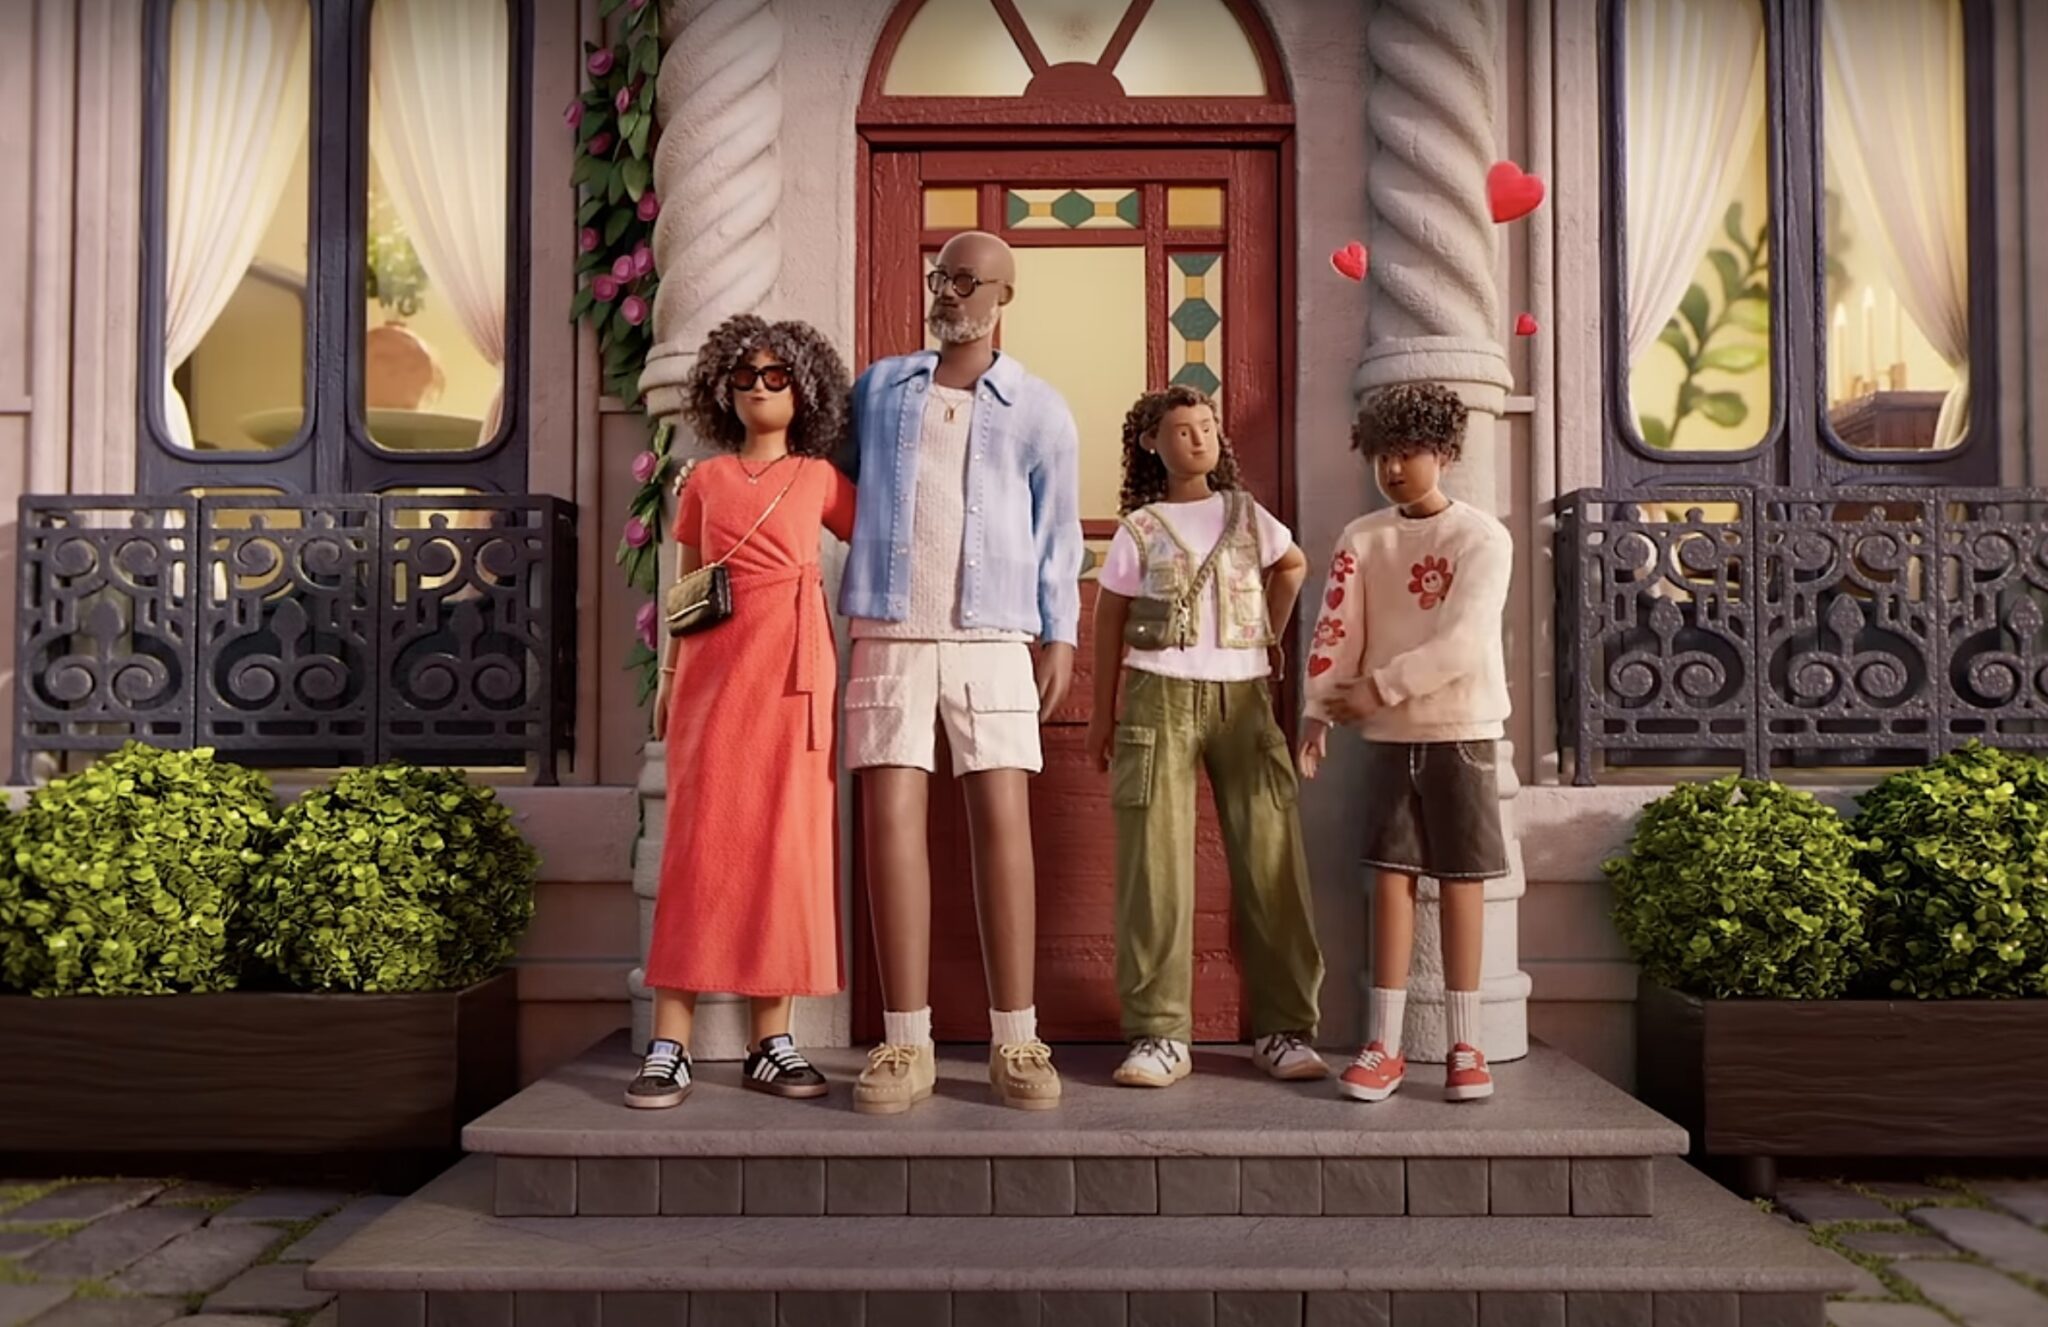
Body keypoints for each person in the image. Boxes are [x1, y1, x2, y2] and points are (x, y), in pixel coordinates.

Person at [835, 230, 1083, 1114]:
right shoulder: (878, 390)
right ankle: (907, 1042)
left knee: (1002, 820)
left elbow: (1059, 534)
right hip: (890, 628)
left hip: (996, 632)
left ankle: (1017, 1038)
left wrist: (1062, 634)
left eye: (966, 280)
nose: (947, 292)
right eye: (938, 275)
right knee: (889, 820)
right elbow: (829, 488)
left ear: (1004, 296)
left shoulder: (1040, 409)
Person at [632, 316, 857, 1109]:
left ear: (805, 387)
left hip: (796, 675)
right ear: (721, 389)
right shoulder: (704, 481)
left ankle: (774, 1039)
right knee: (699, 845)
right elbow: (685, 584)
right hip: (714, 670)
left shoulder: (823, 479)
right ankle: (671, 1041)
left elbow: (886, 544)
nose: (760, 389)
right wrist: (666, 675)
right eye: (746, 378)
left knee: (784, 848)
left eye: (776, 377)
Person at [1085, 384, 1327, 1089]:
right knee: (1152, 864)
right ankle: (1159, 1031)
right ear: (1149, 444)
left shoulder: (1248, 515)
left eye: (1208, 426)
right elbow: (1108, 618)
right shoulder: (1141, 527)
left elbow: (1294, 565)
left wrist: (1269, 639)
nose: (1199, 438)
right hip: (1156, 694)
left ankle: (1284, 1025)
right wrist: (1103, 712)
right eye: (1183, 429)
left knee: (1271, 855)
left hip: (1244, 695)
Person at [1298, 383, 1512, 1104]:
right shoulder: (1364, 537)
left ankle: (1465, 1043)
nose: (1394, 467)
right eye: (1383, 453)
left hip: (1463, 732)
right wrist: (1319, 711)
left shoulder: (1482, 537)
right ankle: (1382, 1044)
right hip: (1388, 738)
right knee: (1390, 876)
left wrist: (1379, 688)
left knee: (1462, 882)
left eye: (1410, 451)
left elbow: (1464, 641)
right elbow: (1337, 629)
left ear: (1445, 452)